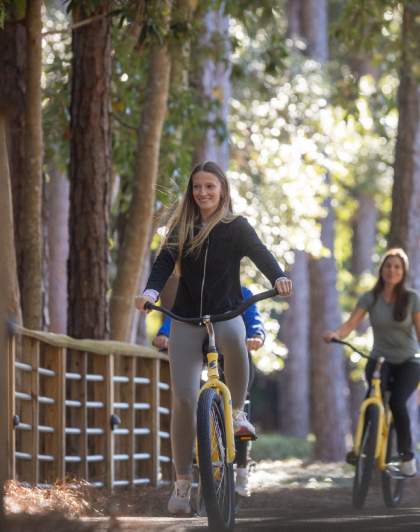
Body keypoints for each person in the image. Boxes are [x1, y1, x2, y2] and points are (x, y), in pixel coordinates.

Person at [135, 161, 292, 515]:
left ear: (222, 189)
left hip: (226, 313)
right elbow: (162, 264)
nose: (202, 193)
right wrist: (150, 292)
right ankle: (182, 483)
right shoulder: (180, 227)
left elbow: (261, 253)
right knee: (184, 400)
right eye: (196, 187)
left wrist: (278, 278)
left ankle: (235, 413)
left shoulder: (235, 227)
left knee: (236, 342)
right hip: (187, 319)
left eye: (210, 186)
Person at [323, 248, 420, 477]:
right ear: (381, 270)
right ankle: (360, 450)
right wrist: (335, 335)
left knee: (397, 402)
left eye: (397, 267)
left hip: (409, 362)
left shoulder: (412, 298)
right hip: (380, 359)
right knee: (370, 400)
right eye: (388, 266)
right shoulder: (370, 297)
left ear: (402, 272)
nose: (392, 270)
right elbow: (349, 325)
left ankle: (407, 457)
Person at [152, 285, 265, 499]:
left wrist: (256, 335)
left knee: (239, 404)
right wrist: (164, 335)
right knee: (188, 398)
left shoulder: (242, 292)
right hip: (205, 358)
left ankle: (241, 470)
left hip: (232, 357)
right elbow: (177, 318)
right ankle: (201, 444)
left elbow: (253, 318)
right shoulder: (195, 290)